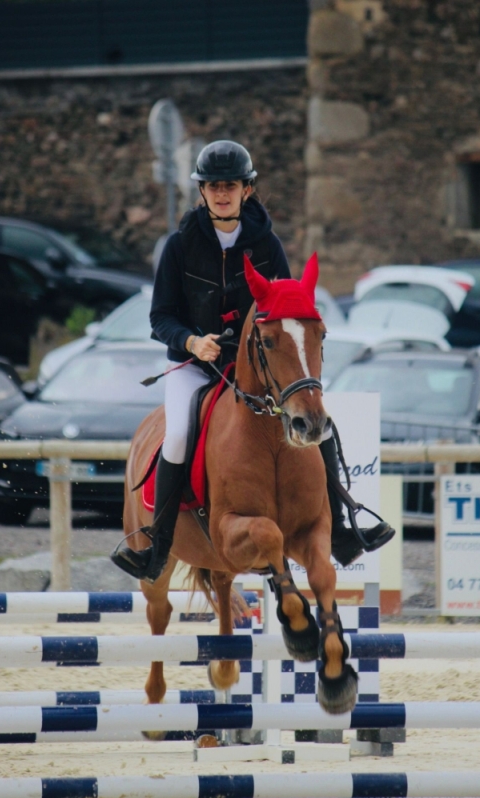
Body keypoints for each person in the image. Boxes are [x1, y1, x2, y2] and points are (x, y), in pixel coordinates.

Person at [112, 140, 394, 583]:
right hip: (198, 367)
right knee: (180, 433)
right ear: (202, 192)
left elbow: (285, 307)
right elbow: (159, 317)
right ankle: (159, 544)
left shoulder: (268, 244)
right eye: (213, 186)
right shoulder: (179, 246)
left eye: (231, 186)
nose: (222, 194)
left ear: (247, 190)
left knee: (318, 423)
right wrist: (190, 342)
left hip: (257, 371)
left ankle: (341, 528)